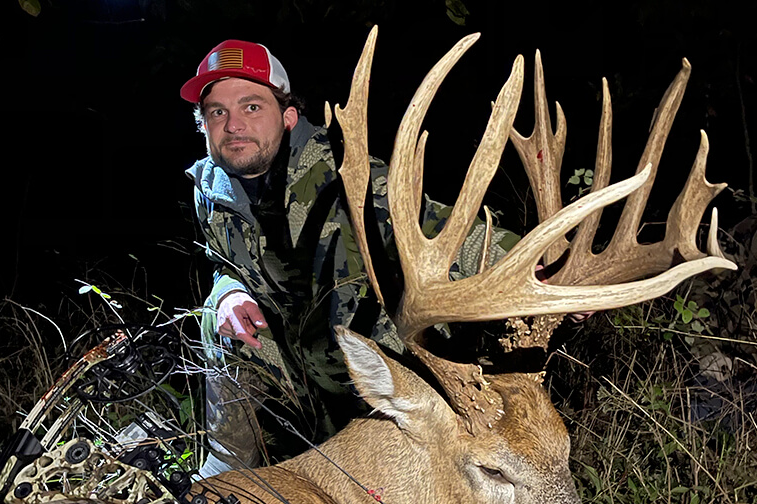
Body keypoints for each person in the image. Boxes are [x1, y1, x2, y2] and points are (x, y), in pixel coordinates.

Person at [180, 39, 521, 476]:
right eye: (217, 112)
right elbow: (222, 260)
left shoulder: (347, 172)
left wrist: (536, 265)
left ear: (288, 117)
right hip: (300, 376)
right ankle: (228, 473)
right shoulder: (209, 187)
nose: (232, 126)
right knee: (217, 316)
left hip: (380, 381)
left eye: (251, 107)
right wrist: (228, 290)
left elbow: (438, 225)